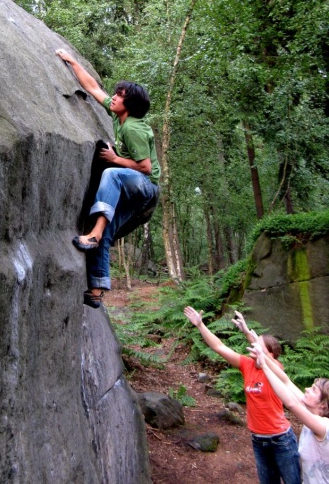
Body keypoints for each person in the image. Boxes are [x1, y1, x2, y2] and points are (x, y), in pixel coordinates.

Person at [55, 48, 160, 308]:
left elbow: (145, 167)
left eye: (120, 96)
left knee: (111, 174)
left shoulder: (134, 127)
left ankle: (94, 234)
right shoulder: (118, 116)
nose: (113, 97)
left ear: (130, 104)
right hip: (133, 186)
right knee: (106, 227)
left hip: (144, 186)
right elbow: (92, 88)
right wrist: (72, 62)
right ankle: (97, 290)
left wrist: (115, 160)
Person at [184, 306, 302, 484]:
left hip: (281, 440)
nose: (253, 346)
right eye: (253, 343)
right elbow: (219, 347)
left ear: (271, 353)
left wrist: (249, 334)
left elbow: (271, 365)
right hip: (258, 440)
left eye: (258, 344)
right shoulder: (247, 365)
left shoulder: (276, 369)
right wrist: (200, 326)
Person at [251, 342, 329, 484]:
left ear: (323, 405)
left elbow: (291, 403)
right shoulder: (310, 413)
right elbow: (285, 381)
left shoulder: (323, 426)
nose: (306, 389)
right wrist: (263, 355)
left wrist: (263, 367)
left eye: (313, 390)